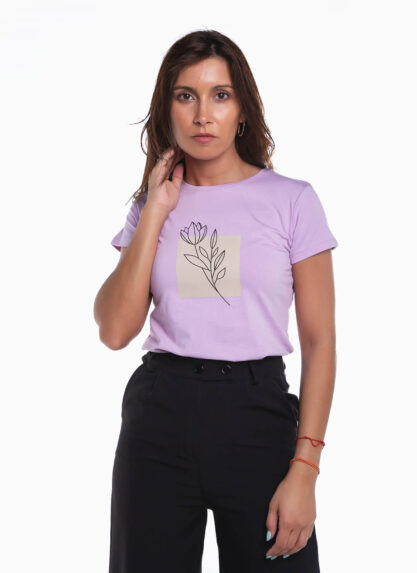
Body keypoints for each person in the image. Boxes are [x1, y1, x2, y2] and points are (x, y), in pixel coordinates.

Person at [94, 29, 338, 573]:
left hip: (258, 416)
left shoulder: (292, 201)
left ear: (242, 109)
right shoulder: (150, 206)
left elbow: (321, 342)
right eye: (186, 96)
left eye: (220, 95)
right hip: (160, 417)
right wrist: (156, 211)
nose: (203, 115)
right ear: (168, 109)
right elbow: (114, 330)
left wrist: (305, 468)